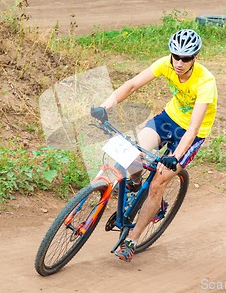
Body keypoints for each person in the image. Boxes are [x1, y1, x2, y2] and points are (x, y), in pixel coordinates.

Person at [91, 29, 218, 262]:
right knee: (134, 152)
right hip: (167, 120)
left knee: (159, 180)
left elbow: (191, 130)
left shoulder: (206, 83)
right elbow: (131, 85)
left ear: (195, 58)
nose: (179, 62)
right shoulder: (166, 64)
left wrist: (175, 156)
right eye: (175, 56)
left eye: (186, 58)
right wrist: (104, 107)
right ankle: (135, 182)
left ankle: (133, 240)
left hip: (191, 133)